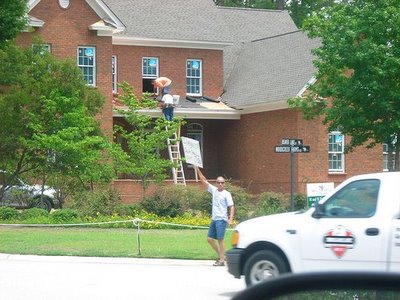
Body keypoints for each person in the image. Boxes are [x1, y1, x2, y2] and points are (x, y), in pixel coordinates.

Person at [195, 166, 235, 266]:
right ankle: (222, 256)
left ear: (224, 184)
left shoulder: (227, 194)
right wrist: (197, 168)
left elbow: (232, 207)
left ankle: (221, 261)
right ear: (216, 183)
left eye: (222, 182)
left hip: (222, 219)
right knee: (209, 239)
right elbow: (203, 180)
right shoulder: (214, 190)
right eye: (218, 182)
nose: (220, 184)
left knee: (220, 240)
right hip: (214, 219)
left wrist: (230, 219)